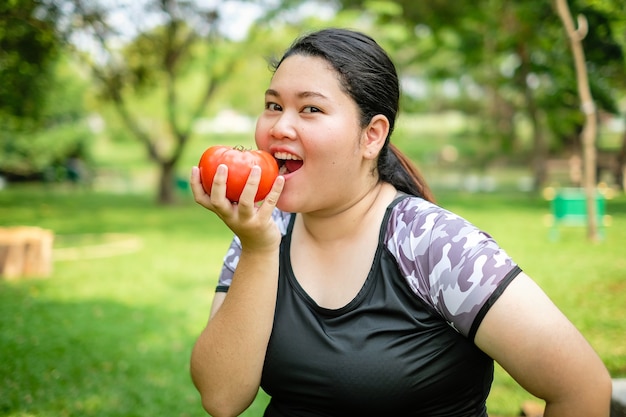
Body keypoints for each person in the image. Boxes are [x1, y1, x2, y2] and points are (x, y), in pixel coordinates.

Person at [188, 28, 611, 417]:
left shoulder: (436, 244)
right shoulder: (261, 228)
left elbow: (583, 388)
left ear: (371, 135)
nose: (280, 126)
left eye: (310, 108)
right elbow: (222, 398)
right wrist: (260, 249)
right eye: (273, 105)